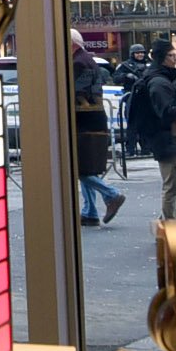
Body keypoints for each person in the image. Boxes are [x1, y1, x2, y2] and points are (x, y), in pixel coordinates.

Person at [123, 33, 176, 219]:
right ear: (163, 58)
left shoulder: (159, 79)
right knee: (173, 186)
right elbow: (167, 111)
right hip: (165, 137)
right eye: (172, 55)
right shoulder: (159, 82)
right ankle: (168, 227)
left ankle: (165, 224)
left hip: (165, 136)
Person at [70, 31, 125, 226]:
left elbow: (74, 91)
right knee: (86, 166)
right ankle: (90, 211)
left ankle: (111, 194)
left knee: (79, 168)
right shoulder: (89, 60)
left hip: (83, 121)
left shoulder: (77, 63)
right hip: (94, 120)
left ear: (72, 44)